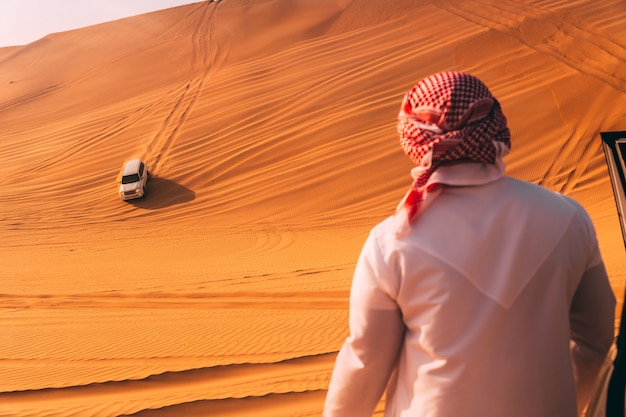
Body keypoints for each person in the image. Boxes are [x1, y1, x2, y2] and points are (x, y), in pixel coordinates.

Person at [323, 71, 616, 417]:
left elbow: (365, 364)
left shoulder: (394, 241)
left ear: (413, 138)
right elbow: (596, 339)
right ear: (495, 126)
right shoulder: (568, 218)